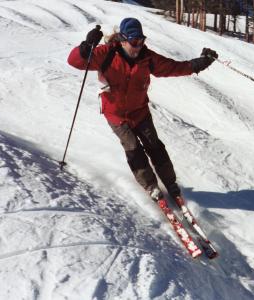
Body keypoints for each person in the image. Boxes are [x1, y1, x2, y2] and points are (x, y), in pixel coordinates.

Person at [67, 18, 218, 201]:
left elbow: (174, 67)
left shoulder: (148, 58)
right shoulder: (106, 54)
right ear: (123, 39)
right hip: (115, 114)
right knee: (133, 147)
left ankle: (170, 182)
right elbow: (75, 61)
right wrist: (87, 46)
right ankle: (150, 185)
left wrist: (201, 63)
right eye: (134, 41)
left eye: (141, 40)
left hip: (139, 111)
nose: (138, 46)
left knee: (154, 145)